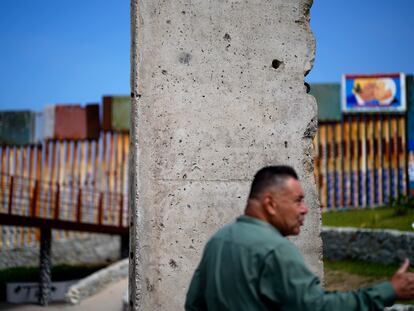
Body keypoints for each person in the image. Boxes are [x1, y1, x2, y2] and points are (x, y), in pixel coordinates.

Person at [185, 165, 414, 311]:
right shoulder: (274, 249)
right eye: (298, 200)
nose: (305, 209)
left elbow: (193, 305)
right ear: (270, 204)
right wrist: (388, 291)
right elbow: (318, 307)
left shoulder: (219, 240)